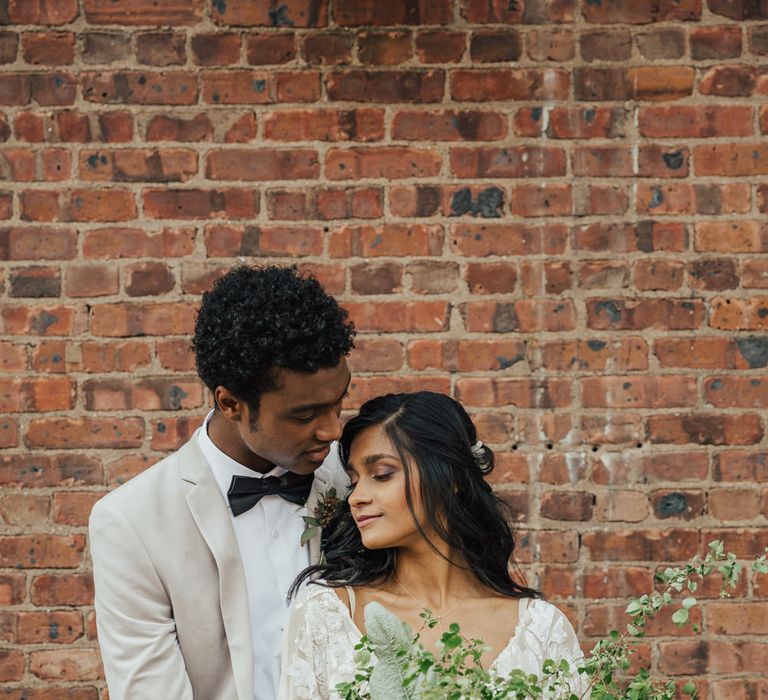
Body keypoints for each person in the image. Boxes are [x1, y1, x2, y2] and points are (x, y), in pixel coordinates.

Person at [89, 265, 354, 700]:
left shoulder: (357, 485)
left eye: (338, 403)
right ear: (230, 403)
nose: (333, 431)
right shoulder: (131, 523)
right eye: (305, 415)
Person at [279, 392, 587, 699]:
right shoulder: (327, 614)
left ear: (450, 475)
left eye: (381, 475)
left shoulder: (542, 630)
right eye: (354, 481)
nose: (357, 497)